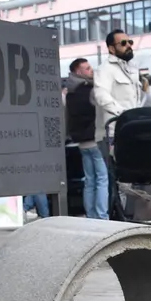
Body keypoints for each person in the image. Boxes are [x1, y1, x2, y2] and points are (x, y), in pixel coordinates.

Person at [91, 32, 141, 219]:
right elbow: (101, 96)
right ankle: (117, 218)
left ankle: (131, 216)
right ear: (111, 48)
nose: (129, 45)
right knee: (117, 179)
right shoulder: (105, 69)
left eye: (130, 41)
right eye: (123, 43)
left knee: (132, 177)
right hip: (113, 132)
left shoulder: (131, 68)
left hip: (132, 130)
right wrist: (123, 115)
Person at [64, 58, 96, 217]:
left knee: (89, 180)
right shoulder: (88, 89)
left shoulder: (70, 91)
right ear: (78, 71)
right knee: (102, 179)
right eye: (87, 68)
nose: (91, 70)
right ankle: (101, 215)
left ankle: (90, 214)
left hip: (78, 139)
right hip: (93, 137)